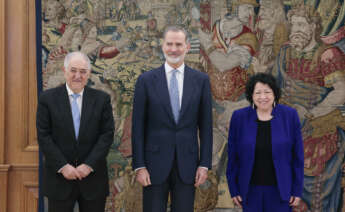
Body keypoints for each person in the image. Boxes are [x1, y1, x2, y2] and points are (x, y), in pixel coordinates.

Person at [131, 25, 213, 212]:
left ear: (187, 46)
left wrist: (204, 164)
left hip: (188, 165)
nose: (173, 49)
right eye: (169, 44)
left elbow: (206, 126)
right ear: (162, 45)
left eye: (178, 44)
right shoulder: (146, 80)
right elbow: (137, 127)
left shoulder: (201, 81)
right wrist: (139, 166)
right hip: (153, 165)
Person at [36, 51, 115, 212]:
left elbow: (106, 135)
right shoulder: (47, 99)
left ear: (89, 74)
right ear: (64, 71)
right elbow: (44, 135)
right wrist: (63, 166)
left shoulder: (102, 99)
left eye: (83, 71)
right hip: (59, 180)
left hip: (93, 180)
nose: (78, 76)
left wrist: (88, 165)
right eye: (73, 70)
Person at [226, 73, 304, 212]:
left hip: (281, 192)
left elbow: (298, 158)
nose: (263, 97)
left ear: (275, 93)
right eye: (258, 93)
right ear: (251, 95)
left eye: (267, 92)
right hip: (249, 192)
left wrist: (296, 190)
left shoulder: (290, 116)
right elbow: (232, 158)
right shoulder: (239, 117)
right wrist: (234, 189)